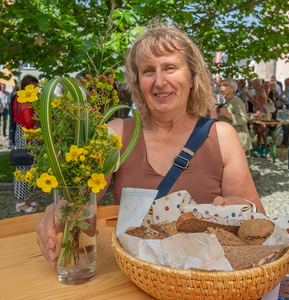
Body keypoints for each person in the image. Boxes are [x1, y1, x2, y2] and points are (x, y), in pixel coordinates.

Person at [36, 23, 265, 266]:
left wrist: (242, 209)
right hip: (134, 276)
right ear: (137, 82)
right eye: (148, 71)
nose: (159, 81)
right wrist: (57, 211)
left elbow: (260, 228)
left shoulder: (221, 136)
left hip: (205, 279)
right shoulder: (116, 134)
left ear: (192, 76)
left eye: (170, 68)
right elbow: (82, 203)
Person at [13, 75, 39, 213]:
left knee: (29, 167)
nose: (36, 90)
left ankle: (26, 197)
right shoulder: (25, 100)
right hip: (26, 135)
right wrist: (41, 119)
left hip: (25, 134)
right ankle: (19, 202)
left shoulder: (21, 97)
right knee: (23, 168)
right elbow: (29, 121)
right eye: (33, 87)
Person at [210, 78, 252, 152]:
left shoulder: (237, 101)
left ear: (233, 89)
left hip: (238, 140)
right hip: (229, 139)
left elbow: (243, 119)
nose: (221, 87)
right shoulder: (225, 102)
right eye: (221, 85)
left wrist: (227, 114)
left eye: (225, 85)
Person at [245, 78, 267, 147]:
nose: (251, 85)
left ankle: (266, 144)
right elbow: (253, 102)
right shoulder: (255, 91)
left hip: (261, 112)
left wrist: (257, 97)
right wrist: (248, 96)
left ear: (257, 84)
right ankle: (259, 144)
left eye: (253, 84)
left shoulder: (262, 91)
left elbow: (264, 101)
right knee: (258, 129)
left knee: (262, 129)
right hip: (255, 112)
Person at [277, 78, 289, 148]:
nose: (284, 84)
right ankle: (288, 142)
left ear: (287, 83)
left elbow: (284, 99)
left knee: (287, 126)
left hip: (288, 108)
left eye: (285, 83)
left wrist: (278, 96)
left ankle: (285, 142)